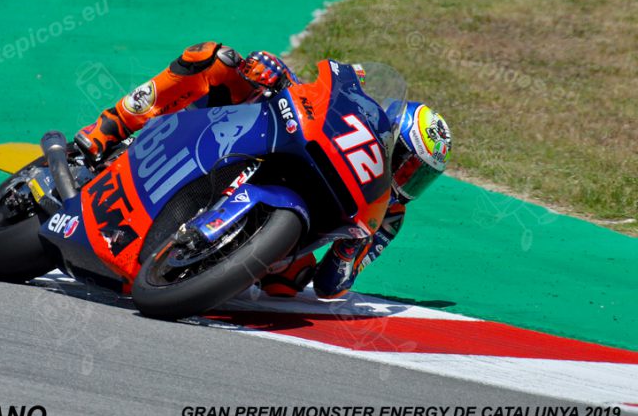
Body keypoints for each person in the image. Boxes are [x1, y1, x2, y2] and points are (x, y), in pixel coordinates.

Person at [75, 41, 452, 299]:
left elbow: (331, 285)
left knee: (290, 282)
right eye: (406, 165)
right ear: (389, 139)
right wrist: (280, 74)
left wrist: (352, 247)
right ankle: (110, 126)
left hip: (295, 227)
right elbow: (315, 102)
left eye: (421, 177)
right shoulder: (356, 130)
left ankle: (206, 263)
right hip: (264, 139)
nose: (406, 180)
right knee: (215, 58)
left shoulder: (388, 216)